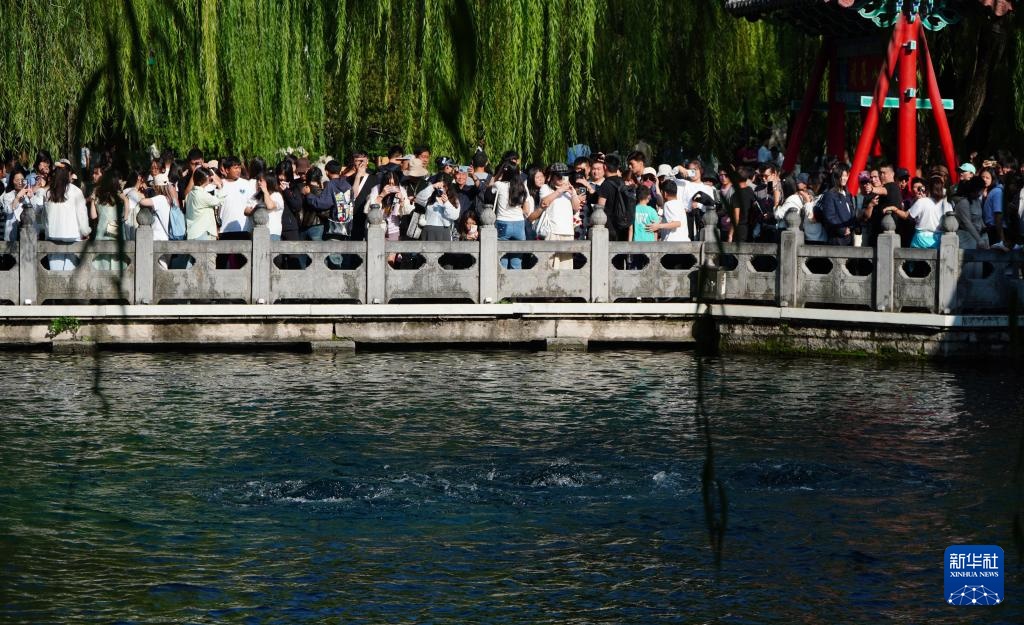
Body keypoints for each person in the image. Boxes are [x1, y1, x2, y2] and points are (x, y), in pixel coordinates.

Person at [43, 165, 90, 270]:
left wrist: (46, 231)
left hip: (53, 235)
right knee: (71, 270)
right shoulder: (76, 191)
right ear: (68, 174)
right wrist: (85, 231)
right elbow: (82, 214)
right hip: (72, 234)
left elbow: (44, 216)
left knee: (55, 269)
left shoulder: (49, 192)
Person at [536, 163, 580, 269]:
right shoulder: (545, 188)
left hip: (568, 232)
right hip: (552, 231)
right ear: (552, 176)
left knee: (566, 269)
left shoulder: (569, 190)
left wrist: (573, 193)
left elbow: (576, 208)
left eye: (564, 175)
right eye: (559, 175)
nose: (561, 178)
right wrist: (560, 190)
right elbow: (544, 203)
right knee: (550, 267)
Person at [489, 160, 532, 269]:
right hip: (519, 223)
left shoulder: (499, 185)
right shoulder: (522, 186)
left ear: (504, 172)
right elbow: (526, 208)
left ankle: (502, 279)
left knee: (502, 258)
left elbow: (489, 187)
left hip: (503, 222)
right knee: (516, 260)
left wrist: (498, 174)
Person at [905, 175, 950, 249]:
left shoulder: (922, 201)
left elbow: (906, 216)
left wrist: (895, 209)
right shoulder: (947, 204)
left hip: (920, 241)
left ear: (928, 188)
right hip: (939, 241)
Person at [817, 164, 856, 246]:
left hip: (849, 237)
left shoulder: (848, 194)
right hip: (837, 239)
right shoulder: (830, 194)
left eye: (845, 175)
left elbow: (852, 214)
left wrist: (854, 227)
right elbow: (829, 216)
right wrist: (842, 230)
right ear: (836, 177)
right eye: (841, 176)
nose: (843, 178)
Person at [185, 168, 223, 241]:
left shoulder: (189, 194)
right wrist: (219, 185)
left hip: (193, 233)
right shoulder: (202, 194)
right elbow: (219, 201)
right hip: (203, 233)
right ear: (206, 178)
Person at [954, 176, 988, 251]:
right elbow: (967, 223)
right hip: (966, 237)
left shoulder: (977, 201)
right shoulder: (963, 202)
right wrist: (979, 240)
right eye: (980, 190)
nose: (980, 193)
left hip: (977, 236)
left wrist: (984, 232)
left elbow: (980, 218)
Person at [729, 166, 757, 243]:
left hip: (739, 230)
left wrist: (730, 234)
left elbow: (736, 217)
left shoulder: (736, 195)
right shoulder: (750, 190)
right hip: (750, 228)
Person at [980, 167, 1005, 249]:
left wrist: (1002, 238)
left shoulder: (997, 192)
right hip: (989, 229)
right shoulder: (986, 191)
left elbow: (998, 214)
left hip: (995, 230)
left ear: (993, 179)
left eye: (987, 178)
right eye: (982, 177)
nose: (984, 180)